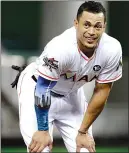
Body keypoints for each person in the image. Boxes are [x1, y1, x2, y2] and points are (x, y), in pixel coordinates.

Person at [11, 1, 122, 152]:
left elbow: (102, 91)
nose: (91, 31)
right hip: (37, 89)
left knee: (84, 149)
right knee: (40, 149)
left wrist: (82, 132)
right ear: (76, 23)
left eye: (97, 26)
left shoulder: (112, 49)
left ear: (104, 26)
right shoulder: (61, 47)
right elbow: (43, 87)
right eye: (87, 24)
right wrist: (43, 130)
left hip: (71, 94)